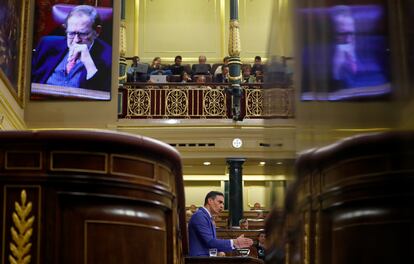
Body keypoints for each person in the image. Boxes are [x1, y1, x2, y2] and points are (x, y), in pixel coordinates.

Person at [31, 5, 112, 92]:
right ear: (65, 29)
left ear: (97, 31)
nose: (76, 40)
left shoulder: (109, 57)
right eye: (72, 33)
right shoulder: (47, 45)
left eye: (83, 34)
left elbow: (102, 97)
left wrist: (89, 65)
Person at [188, 191, 253, 256]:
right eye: (220, 202)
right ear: (210, 201)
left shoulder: (207, 217)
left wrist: (217, 252)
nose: (222, 206)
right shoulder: (199, 216)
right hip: (199, 260)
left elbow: (208, 244)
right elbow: (210, 242)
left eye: (223, 204)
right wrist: (234, 242)